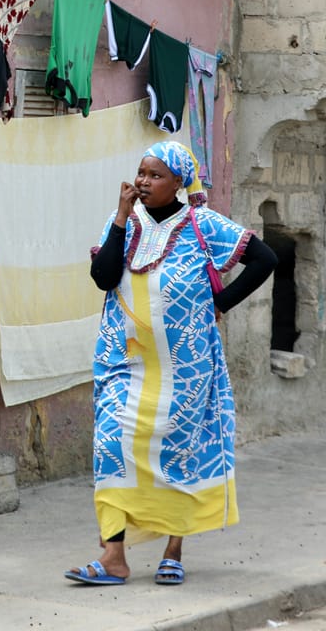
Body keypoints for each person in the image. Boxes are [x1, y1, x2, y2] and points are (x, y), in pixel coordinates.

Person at [64, 140, 277, 587]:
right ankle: (113, 556)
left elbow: (264, 259)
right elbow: (103, 277)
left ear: (179, 184)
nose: (143, 181)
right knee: (110, 447)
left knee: (179, 455)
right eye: (141, 172)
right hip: (124, 361)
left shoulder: (203, 225)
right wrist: (121, 217)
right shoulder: (121, 223)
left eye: (155, 175)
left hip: (186, 368)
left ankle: (173, 550)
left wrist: (221, 302)